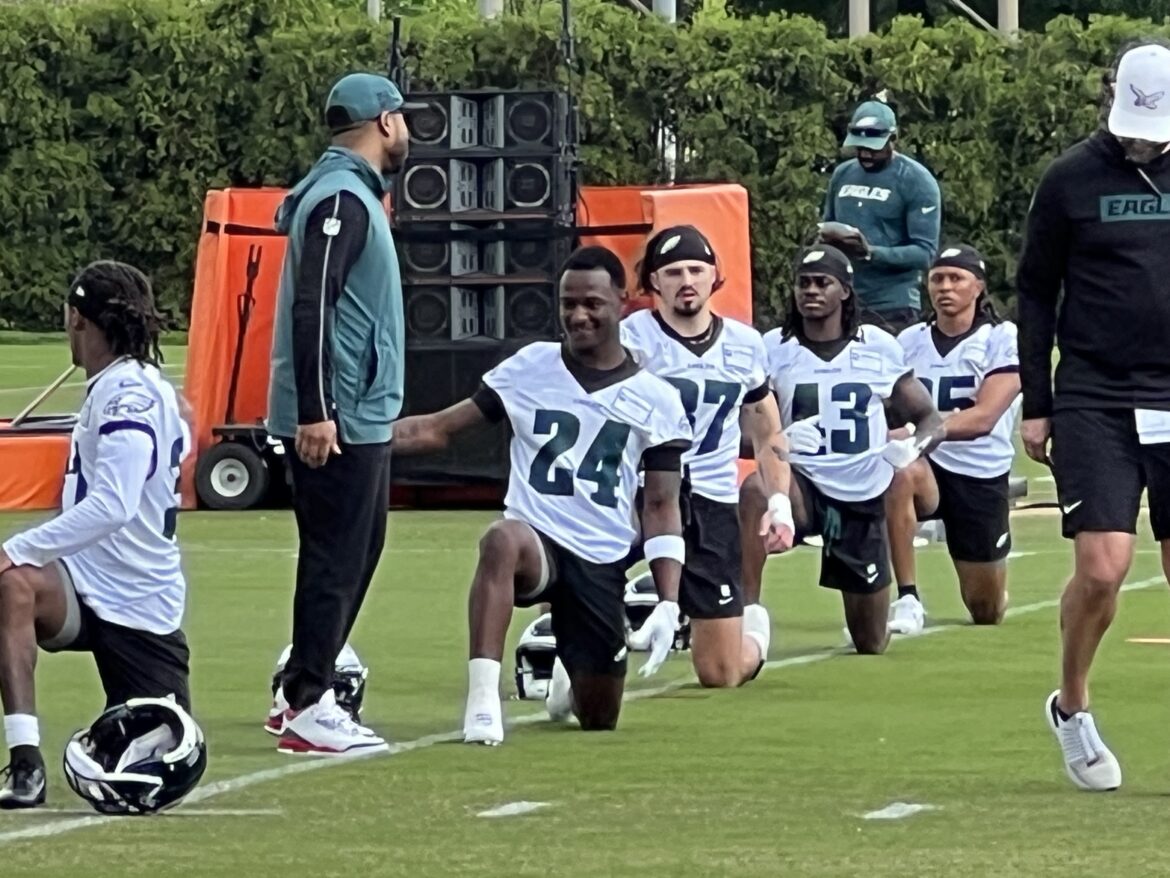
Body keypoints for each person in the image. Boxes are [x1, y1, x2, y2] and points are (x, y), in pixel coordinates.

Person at [391, 246, 692, 745]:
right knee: (501, 539)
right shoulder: (531, 366)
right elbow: (438, 428)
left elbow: (661, 504)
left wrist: (668, 601)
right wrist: (358, 440)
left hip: (601, 555)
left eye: (592, 304)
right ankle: (483, 700)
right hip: (539, 540)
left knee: (599, 716)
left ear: (622, 302)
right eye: (568, 303)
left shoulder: (657, 398)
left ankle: (568, 671)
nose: (579, 316)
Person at [1018, 40, 1170, 792]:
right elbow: (1035, 290)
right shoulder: (1070, 179)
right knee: (1103, 569)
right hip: (1095, 394)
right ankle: (1072, 705)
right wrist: (1036, 402)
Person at [265, 72, 422, 756]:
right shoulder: (340, 198)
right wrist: (318, 410)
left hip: (357, 411)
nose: (406, 131)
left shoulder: (346, 192)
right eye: (402, 118)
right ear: (384, 122)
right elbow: (314, 307)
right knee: (336, 558)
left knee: (356, 552)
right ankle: (307, 701)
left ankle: (304, 684)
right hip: (342, 415)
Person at [0, 261, 192, 809]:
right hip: (80, 581)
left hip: (139, 600)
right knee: (14, 586)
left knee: (159, 764)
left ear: (76, 318)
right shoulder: (129, 384)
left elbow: (114, 504)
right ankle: (25, 762)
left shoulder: (128, 392)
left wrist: (14, 547)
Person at [739, 246, 944, 654]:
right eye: (804, 283)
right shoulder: (772, 347)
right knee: (755, 491)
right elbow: (745, 435)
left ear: (845, 291)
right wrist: (783, 439)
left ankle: (882, 605)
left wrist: (911, 448)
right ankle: (744, 613)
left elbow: (930, 419)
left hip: (861, 492)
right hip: (802, 484)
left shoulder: (878, 345)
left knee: (871, 641)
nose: (811, 291)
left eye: (822, 283)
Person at [620, 225, 794, 688]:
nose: (686, 281)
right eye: (673, 272)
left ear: (715, 275)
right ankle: (563, 651)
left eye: (696, 269)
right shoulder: (632, 339)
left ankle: (752, 628)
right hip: (639, 491)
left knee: (721, 673)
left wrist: (779, 500)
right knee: (579, 564)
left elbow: (767, 428)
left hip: (712, 499)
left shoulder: (743, 343)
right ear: (653, 281)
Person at [886, 245, 1021, 635]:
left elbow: (984, 416)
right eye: (937, 279)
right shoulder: (909, 340)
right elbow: (886, 408)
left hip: (978, 470)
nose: (945, 287)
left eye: (956, 278)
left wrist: (923, 428)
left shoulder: (1000, 338)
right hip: (926, 464)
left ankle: (992, 582)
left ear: (978, 286)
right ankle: (907, 596)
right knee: (899, 472)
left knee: (986, 610)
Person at [819, 99, 942, 335]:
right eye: (859, 146)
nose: (865, 153)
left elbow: (924, 253)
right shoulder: (843, 174)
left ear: (893, 139)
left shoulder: (917, 181)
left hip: (892, 305)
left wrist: (870, 253)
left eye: (873, 147)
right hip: (841, 301)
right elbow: (828, 222)